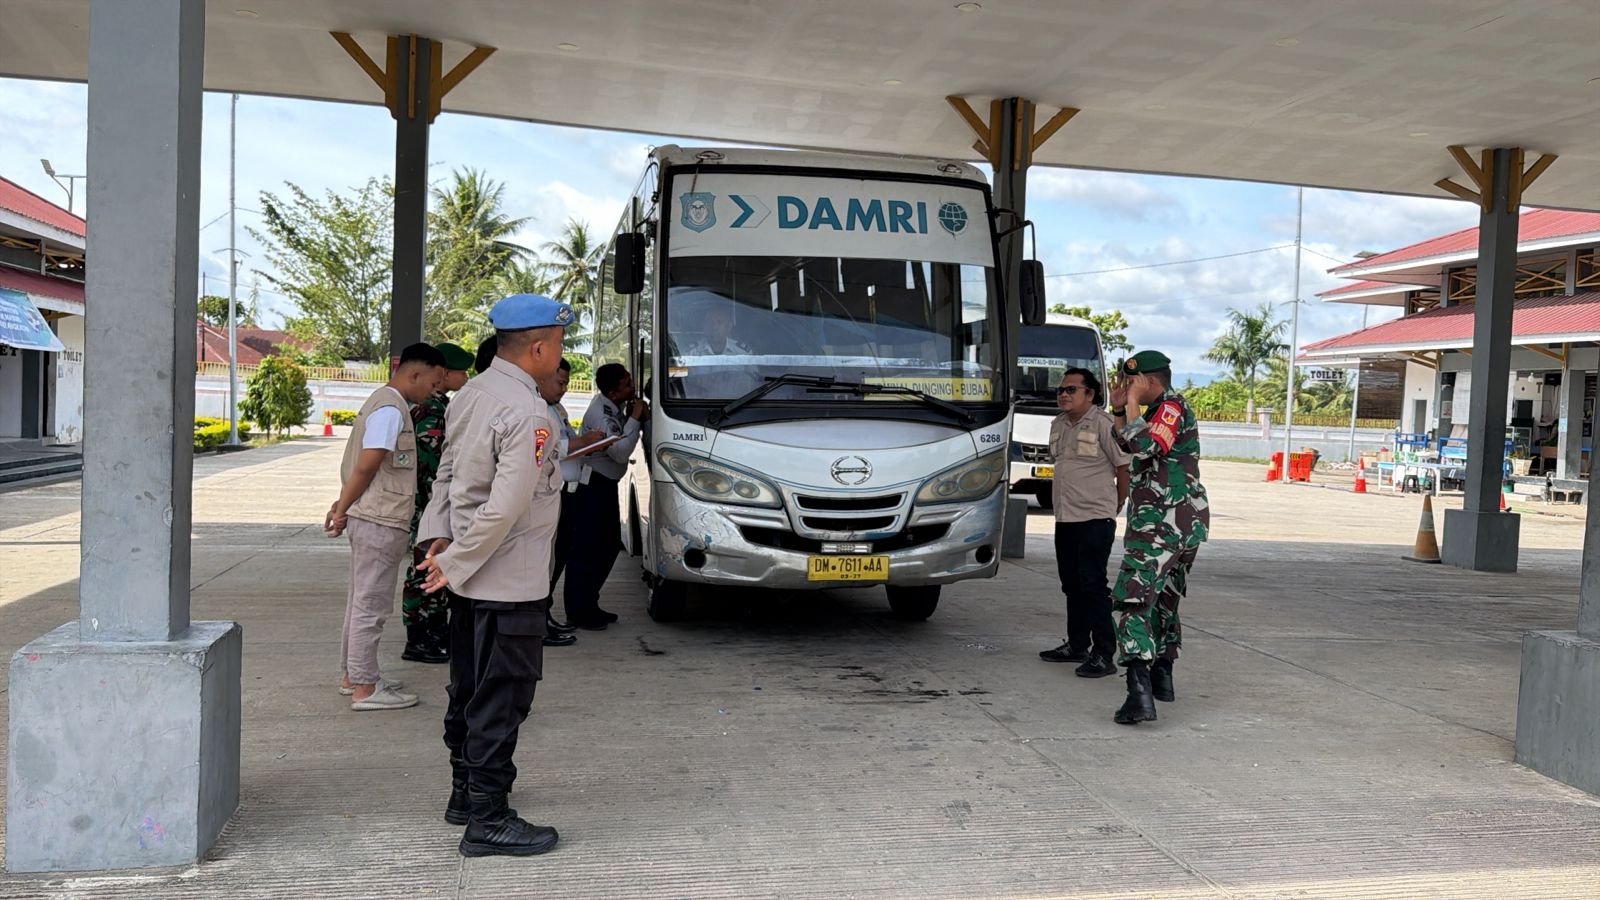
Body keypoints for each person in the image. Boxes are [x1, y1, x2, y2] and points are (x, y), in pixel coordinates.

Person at [416, 293, 572, 857]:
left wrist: (441, 541)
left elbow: (448, 478)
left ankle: (464, 793)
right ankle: (488, 818)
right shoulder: (529, 412)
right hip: (509, 581)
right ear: (539, 348)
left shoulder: (472, 394)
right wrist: (454, 560)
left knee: (467, 688)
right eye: (559, 345)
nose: (559, 357)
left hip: (469, 581)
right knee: (501, 698)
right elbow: (506, 507)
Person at [325, 342, 446, 711]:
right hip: (379, 519)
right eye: (434, 383)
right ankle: (365, 687)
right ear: (415, 373)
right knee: (371, 604)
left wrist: (345, 504)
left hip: (372, 514)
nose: (435, 391)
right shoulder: (391, 409)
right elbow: (367, 464)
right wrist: (342, 508)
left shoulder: (384, 403)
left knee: (360, 600)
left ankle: (354, 676)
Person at [1105, 350, 1210, 726]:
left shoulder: (1170, 408)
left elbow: (1147, 446)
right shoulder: (1157, 412)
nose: (1126, 387)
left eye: (1132, 382)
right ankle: (1162, 676)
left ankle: (1139, 693)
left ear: (1150, 381)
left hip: (1162, 526)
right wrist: (1121, 410)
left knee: (1134, 601)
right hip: (1176, 523)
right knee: (1164, 600)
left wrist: (1132, 403)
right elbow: (1127, 445)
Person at [1038, 367, 1130, 679]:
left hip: (1094, 518)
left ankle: (1104, 653)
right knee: (1071, 584)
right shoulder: (1058, 423)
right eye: (1061, 390)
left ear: (1090, 394)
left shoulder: (1104, 423)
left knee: (1092, 585)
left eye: (1071, 389)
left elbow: (1123, 467)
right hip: (1066, 517)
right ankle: (1077, 645)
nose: (1063, 395)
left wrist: (1117, 504)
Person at [400, 342, 476, 665]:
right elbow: (433, 466)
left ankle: (434, 629)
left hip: (431, 503)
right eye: (462, 372)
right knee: (425, 569)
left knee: (433, 567)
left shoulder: (440, 406)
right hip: (428, 504)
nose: (466, 378)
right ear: (445, 373)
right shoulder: (432, 411)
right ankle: (419, 637)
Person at [563, 362, 648, 629]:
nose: (632, 387)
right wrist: (635, 419)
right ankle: (579, 610)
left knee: (607, 546)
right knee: (588, 549)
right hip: (593, 487)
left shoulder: (612, 407)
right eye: (627, 384)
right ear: (613, 392)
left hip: (605, 485)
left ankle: (589, 603)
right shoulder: (602, 414)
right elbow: (619, 452)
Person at [536, 358, 607, 646]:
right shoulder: (537, 411)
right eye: (560, 382)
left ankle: (545, 614)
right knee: (547, 560)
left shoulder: (556, 409)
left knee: (559, 557)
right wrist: (586, 441)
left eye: (566, 383)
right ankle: (539, 620)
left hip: (568, 492)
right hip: (550, 494)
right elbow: (554, 449)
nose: (564, 388)